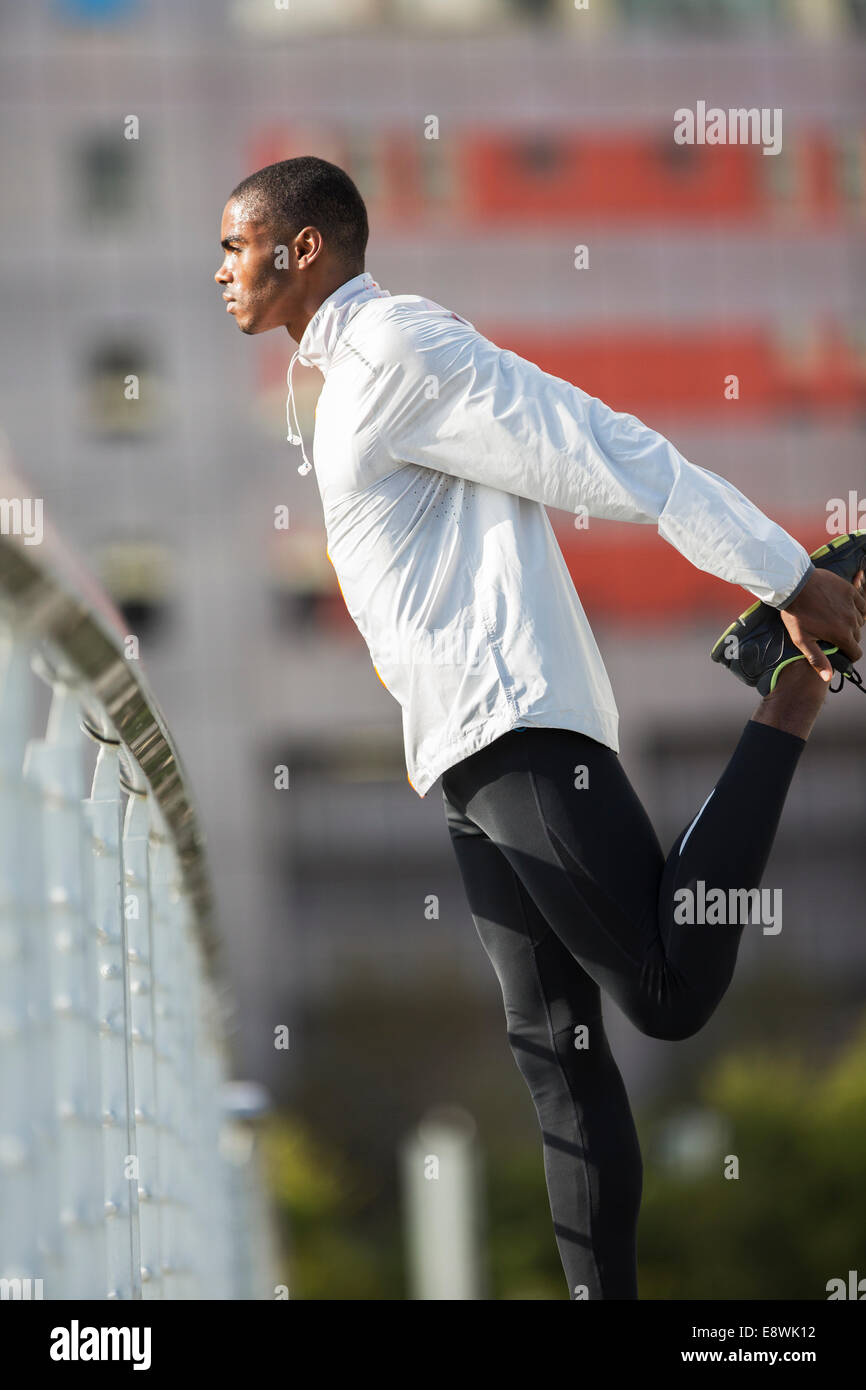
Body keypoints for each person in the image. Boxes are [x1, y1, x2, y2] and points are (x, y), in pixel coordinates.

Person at [216, 155, 866, 1299]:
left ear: (301, 247)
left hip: (516, 721)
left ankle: (789, 695)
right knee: (557, 1064)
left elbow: (601, 446)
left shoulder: (397, 348)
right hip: (463, 754)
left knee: (664, 993)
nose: (219, 269)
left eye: (235, 245)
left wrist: (781, 574)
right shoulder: (335, 384)